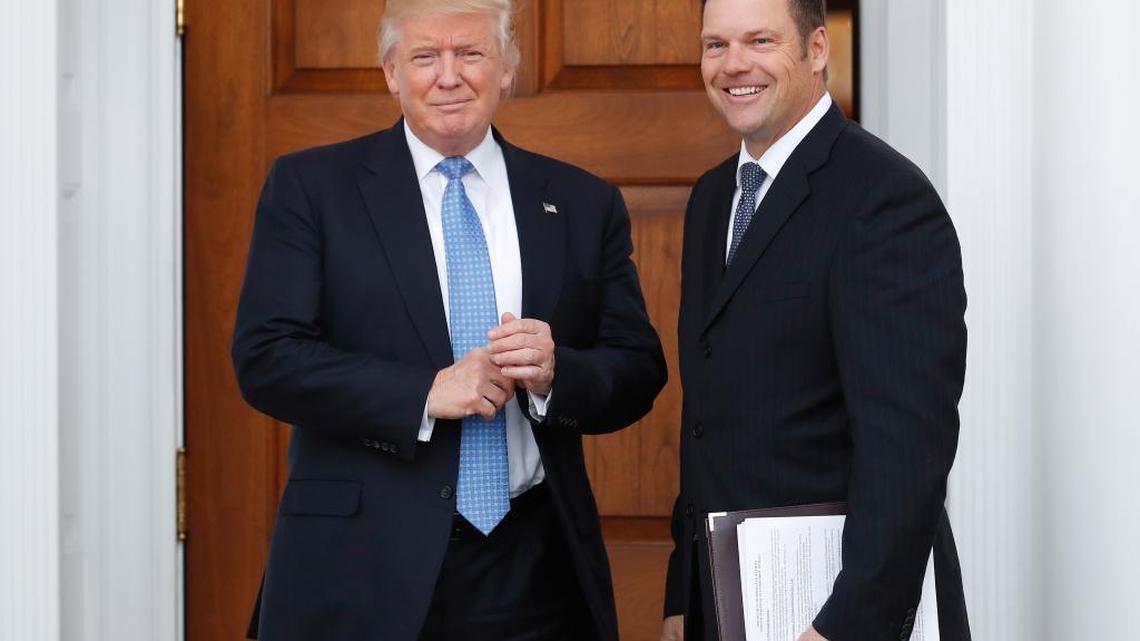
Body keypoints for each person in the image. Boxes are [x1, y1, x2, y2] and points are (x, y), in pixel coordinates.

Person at [231, 1, 666, 639]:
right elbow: (266, 357)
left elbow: (636, 368)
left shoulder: (580, 202)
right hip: (361, 566)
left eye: (471, 53)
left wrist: (554, 373)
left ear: (508, 67)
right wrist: (425, 394)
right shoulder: (311, 188)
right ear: (390, 72)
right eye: (425, 56)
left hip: (532, 567)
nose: (449, 75)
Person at [660, 0, 970, 640]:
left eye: (760, 40)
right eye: (715, 45)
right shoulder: (712, 198)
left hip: (834, 614)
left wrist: (845, 627)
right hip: (728, 601)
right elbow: (707, 423)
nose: (733, 64)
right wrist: (681, 597)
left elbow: (907, 451)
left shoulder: (883, 198)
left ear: (818, 49)